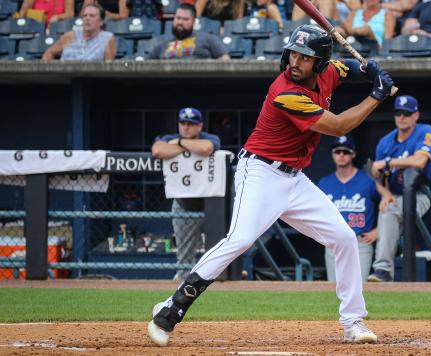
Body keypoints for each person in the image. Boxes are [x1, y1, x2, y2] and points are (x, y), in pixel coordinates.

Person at [147, 24, 394, 346]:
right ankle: (173, 306)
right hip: (261, 173)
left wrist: (367, 68)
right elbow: (340, 125)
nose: (295, 61)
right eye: (292, 53)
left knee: (345, 238)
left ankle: (353, 322)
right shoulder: (286, 93)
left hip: (295, 179)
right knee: (240, 239)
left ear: (319, 62)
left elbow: (344, 68)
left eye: (304, 57)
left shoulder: (327, 70)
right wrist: (376, 94)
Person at [367, 95, 431, 282]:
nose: (402, 117)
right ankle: (382, 270)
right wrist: (385, 194)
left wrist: (388, 162)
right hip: (395, 195)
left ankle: (382, 270)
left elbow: (420, 161)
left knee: (391, 209)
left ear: (416, 115)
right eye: (398, 113)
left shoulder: (425, 131)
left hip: (421, 195)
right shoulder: (385, 142)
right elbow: (379, 179)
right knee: (389, 207)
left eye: (407, 113)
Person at [151, 107, 221, 280]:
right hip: (184, 203)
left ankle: (219, 279)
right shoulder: (168, 139)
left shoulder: (209, 137)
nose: (186, 127)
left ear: (200, 126)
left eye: (191, 124)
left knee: (219, 248)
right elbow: (158, 151)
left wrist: (180, 144)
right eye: (183, 123)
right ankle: (183, 280)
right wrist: (188, 147)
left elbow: (206, 148)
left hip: (212, 203)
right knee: (184, 255)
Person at [319, 135, 380, 282]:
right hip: (334, 243)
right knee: (334, 291)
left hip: (360, 242)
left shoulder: (368, 181)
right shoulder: (324, 183)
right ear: (332, 154)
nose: (341, 155)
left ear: (353, 154)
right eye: (337, 151)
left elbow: (388, 203)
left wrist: (379, 230)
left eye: (345, 151)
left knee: (360, 290)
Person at [148, 3, 230, 60]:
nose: (180, 22)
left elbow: (225, 58)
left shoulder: (207, 38)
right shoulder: (162, 41)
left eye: (185, 19)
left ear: (193, 22)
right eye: (178, 18)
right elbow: (147, 64)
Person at [42, 3, 116, 61]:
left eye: (92, 16)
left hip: (92, 78)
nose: (87, 18)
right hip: (65, 77)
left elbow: (108, 65)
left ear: (101, 22)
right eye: (85, 16)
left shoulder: (107, 38)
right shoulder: (70, 36)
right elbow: (49, 53)